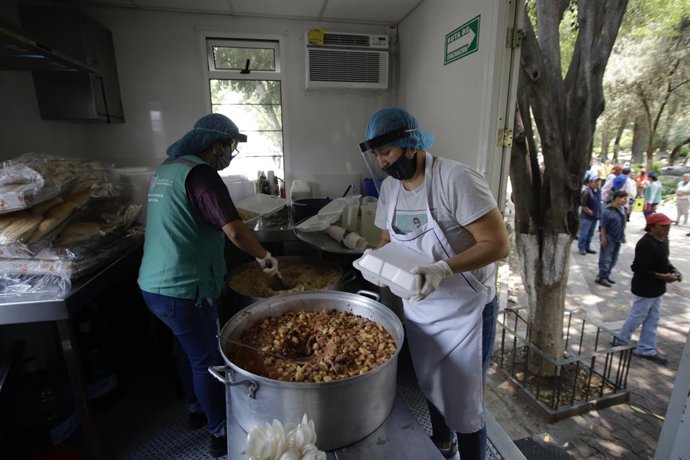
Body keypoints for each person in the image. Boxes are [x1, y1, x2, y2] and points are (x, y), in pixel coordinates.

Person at [358, 107, 510, 460]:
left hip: (466, 311)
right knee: (431, 384)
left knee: (466, 401)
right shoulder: (391, 190)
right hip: (421, 306)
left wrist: (442, 268)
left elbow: (498, 245)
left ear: (411, 145)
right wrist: (375, 261)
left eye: (387, 152)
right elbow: (388, 241)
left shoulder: (455, 180)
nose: (382, 163)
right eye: (378, 155)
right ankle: (443, 445)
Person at [137, 113, 279, 458]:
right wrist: (264, 258)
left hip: (152, 285)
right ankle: (220, 434)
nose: (231, 153)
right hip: (183, 288)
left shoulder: (168, 169)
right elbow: (234, 230)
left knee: (188, 352)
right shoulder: (202, 175)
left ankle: (195, 411)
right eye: (230, 145)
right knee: (208, 362)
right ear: (216, 144)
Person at [613, 213, 682, 365]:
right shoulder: (645, 244)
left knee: (653, 318)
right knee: (638, 315)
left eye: (668, 225)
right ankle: (620, 339)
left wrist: (674, 270)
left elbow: (665, 261)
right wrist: (662, 277)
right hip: (645, 288)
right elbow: (637, 268)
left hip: (657, 289)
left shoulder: (664, 240)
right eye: (663, 225)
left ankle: (645, 348)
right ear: (652, 227)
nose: (667, 228)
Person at [595, 190, 628, 287]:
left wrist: (623, 236)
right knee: (606, 258)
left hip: (618, 237)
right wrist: (603, 238)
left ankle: (607, 275)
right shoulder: (607, 211)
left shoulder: (622, 209)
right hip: (609, 238)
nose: (625, 201)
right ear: (617, 198)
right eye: (624, 198)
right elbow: (603, 227)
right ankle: (602, 277)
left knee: (614, 258)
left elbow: (622, 224)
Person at [577, 173, 602, 255]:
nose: (597, 183)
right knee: (584, 233)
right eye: (596, 181)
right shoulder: (587, 192)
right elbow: (583, 205)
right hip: (587, 217)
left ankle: (587, 247)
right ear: (590, 182)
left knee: (590, 234)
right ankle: (582, 248)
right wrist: (591, 212)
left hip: (594, 217)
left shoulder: (598, 191)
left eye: (598, 181)